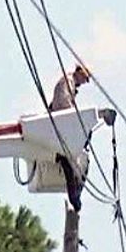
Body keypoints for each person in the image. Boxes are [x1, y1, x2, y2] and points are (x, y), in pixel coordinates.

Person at [47, 65, 91, 212]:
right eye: (84, 79)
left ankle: (75, 197)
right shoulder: (67, 81)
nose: (84, 82)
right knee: (69, 162)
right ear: (79, 72)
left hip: (62, 128)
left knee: (69, 164)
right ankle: (75, 198)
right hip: (62, 126)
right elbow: (63, 104)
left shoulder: (70, 84)